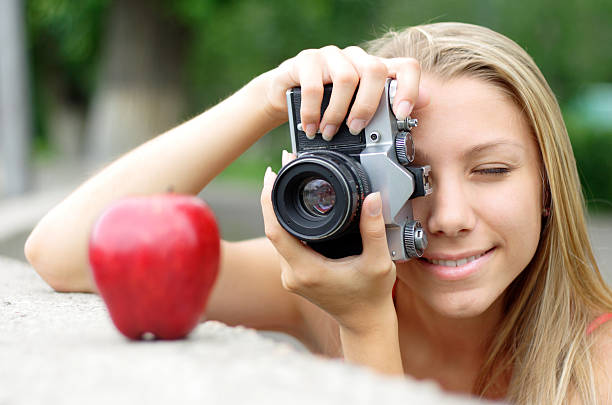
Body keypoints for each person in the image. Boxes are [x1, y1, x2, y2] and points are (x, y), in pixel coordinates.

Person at [24, 22, 612, 403]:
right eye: (409, 172)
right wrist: (267, 96)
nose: (449, 217)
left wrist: (365, 327)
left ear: (547, 189)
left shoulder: (596, 363)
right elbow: (69, 253)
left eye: (490, 171)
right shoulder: (324, 289)